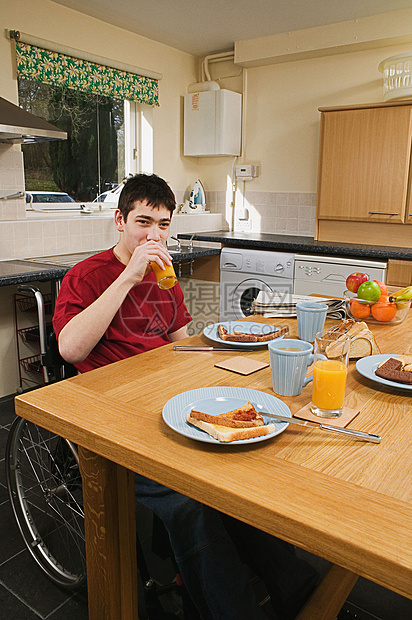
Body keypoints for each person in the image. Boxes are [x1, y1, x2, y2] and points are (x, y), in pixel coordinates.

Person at [53, 173, 318, 620]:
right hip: (113, 413)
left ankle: (299, 590)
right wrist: (127, 277)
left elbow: (184, 342)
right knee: (190, 500)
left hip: (168, 402)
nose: (154, 235)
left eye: (163, 224)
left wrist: (227, 366)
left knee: (241, 475)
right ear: (119, 221)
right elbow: (70, 348)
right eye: (143, 222)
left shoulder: (167, 278)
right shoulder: (88, 276)